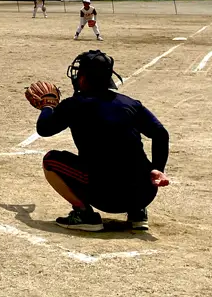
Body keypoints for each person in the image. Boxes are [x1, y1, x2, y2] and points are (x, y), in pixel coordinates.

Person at [31, 50, 170, 231]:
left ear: (83, 78)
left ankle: (84, 214)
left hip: (104, 196)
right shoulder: (130, 104)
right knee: (131, 162)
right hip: (144, 192)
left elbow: (44, 129)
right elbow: (161, 134)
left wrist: (48, 106)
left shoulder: (74, 104)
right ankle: (137, 212)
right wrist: (157, 169)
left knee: (51, 160)